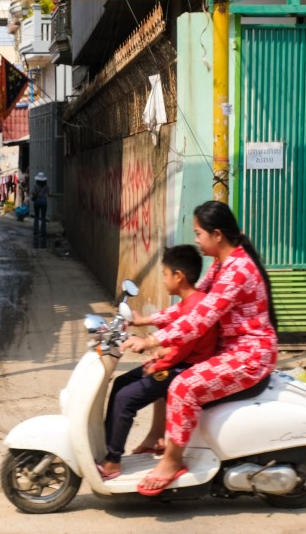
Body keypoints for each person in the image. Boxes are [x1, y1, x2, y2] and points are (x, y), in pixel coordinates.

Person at [122, 200, 278, 497]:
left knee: (183, 386)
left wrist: (152, 340)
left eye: (198, 233)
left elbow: (199, 319)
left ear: (217, 235)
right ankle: (159, 436)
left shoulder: (237, 271)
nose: (196, 240)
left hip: (250, 354)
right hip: (229, 349)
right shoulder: (221, 266)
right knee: (164, 371)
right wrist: (146, 320)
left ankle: (172, 461)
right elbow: (193, 303)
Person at [97, 245, 216, 481]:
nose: (162, 279)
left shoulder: (196, 305)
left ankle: (112, 462)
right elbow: (170, 319)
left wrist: (157, 360)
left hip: (187, 368)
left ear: (178, 276)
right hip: (178, 361)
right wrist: (138, 323)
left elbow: (184, 347)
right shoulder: (188, 301)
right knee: (121, 382)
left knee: (126, 397)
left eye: (164, 274)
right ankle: (109, 446)